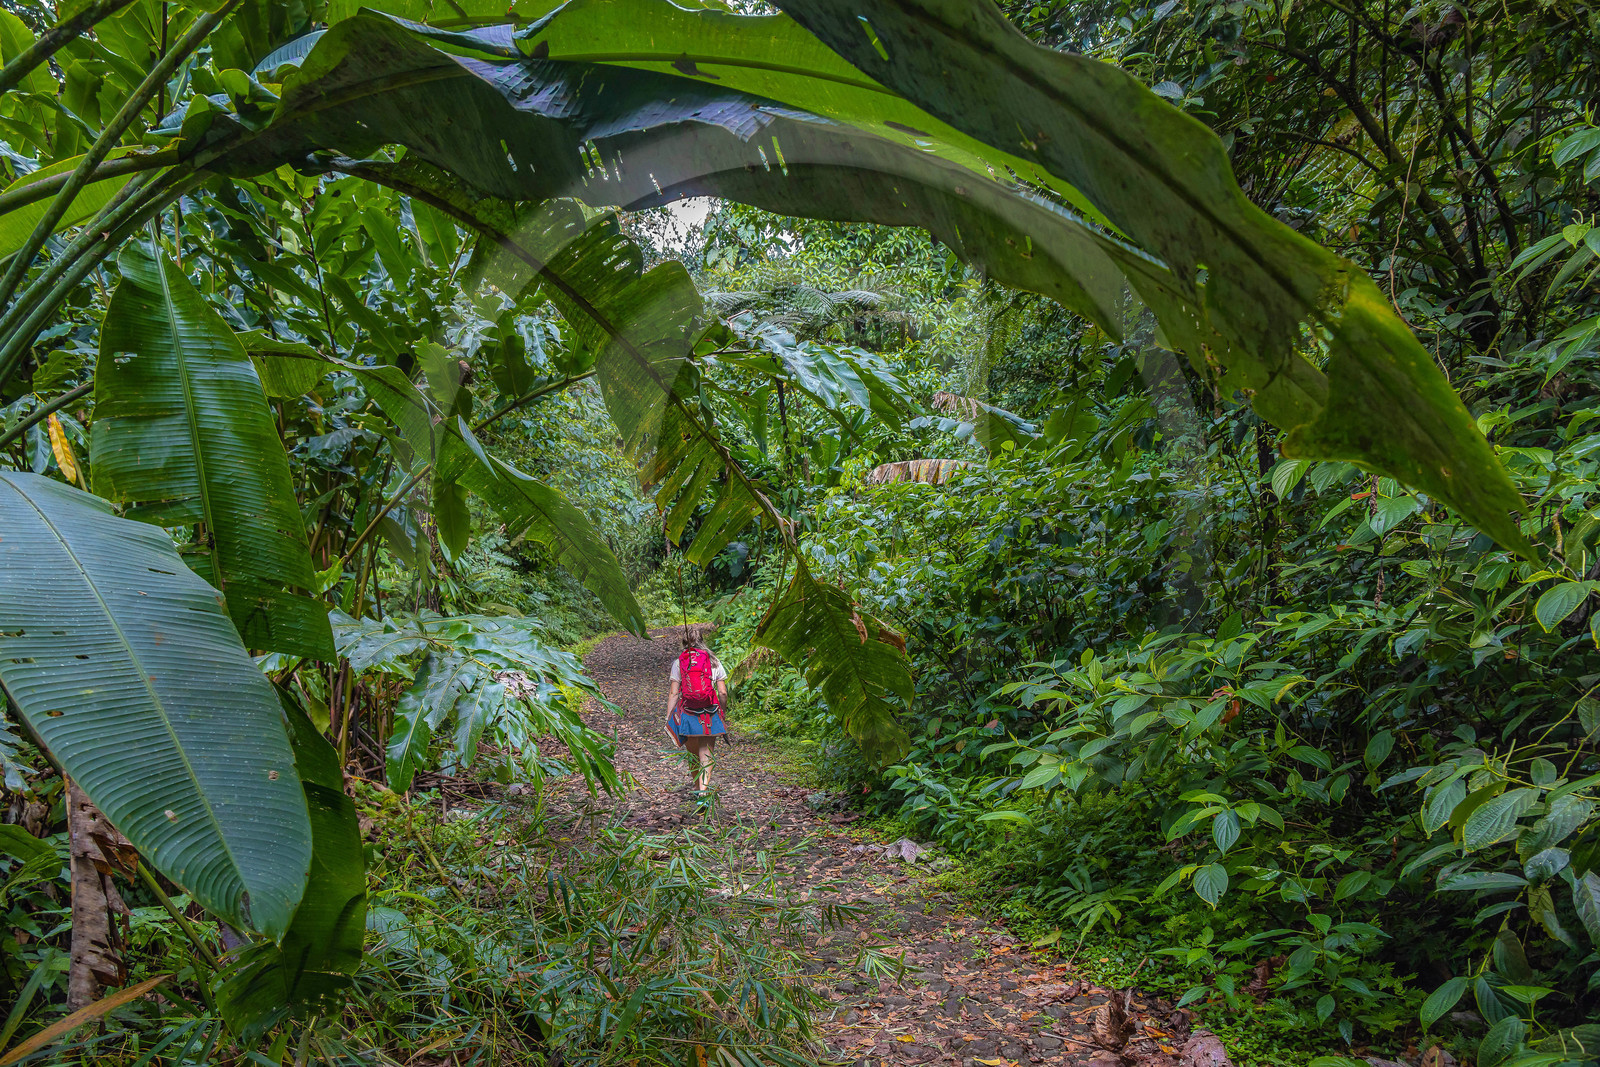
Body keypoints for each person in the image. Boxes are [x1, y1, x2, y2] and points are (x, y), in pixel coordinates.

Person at [664, 635, 728, 797]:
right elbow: (722, 692)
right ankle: (703, 791)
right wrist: (723, 711)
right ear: (702, 640)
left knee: (692, 754)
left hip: (689, 712)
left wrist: (669, 717)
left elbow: (673, 693)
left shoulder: (679, 663)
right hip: (710, 712)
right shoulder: (714, 661)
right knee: (706, 754)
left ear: (684, 643)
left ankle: (697, 788)